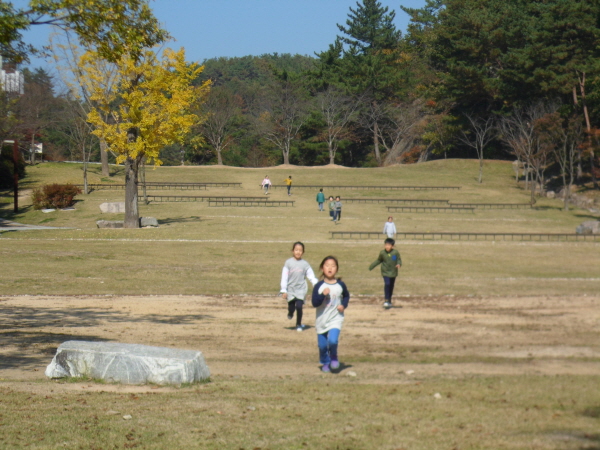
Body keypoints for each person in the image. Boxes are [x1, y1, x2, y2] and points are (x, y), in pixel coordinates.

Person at [312, 256, 350, 373]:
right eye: (327, 265)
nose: (330, 268)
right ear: (322, 268)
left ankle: (333, 356)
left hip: (336, 318)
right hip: (322, 319)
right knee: (322, 346)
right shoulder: (319, 286)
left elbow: (346, 296)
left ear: (337, 269)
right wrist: (322, 294)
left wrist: (343, 305)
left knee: (332, 341)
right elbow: (315, 303)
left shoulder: (340, 285)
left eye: (333, 266)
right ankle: (325, 361)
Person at [280, 242, 318, 332]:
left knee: (299, 306)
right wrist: (284, 290)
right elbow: (284, 277)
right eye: (296, 250)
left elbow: (311, 276)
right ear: (293, 251)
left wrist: (316, 285)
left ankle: (298, 324)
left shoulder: (305, 264)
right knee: (292, 306)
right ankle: (290, 312)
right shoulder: (288, 263)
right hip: (291, 289)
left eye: (300, 250)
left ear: (303, 252)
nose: (298, 252)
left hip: (301, 289)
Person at [368, 238, 402, 309]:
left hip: (393, 272)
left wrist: (398, 264)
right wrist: (372, 266)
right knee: (387, 284)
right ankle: (386, 300)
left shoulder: (395, 253)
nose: (387, 247)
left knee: (391, 286)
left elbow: (397, 259)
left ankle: (389, 300)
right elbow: (379, 260)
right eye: (386, 245)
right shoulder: (382, 253)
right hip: (385, 272)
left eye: (389, 245)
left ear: (392, 246)